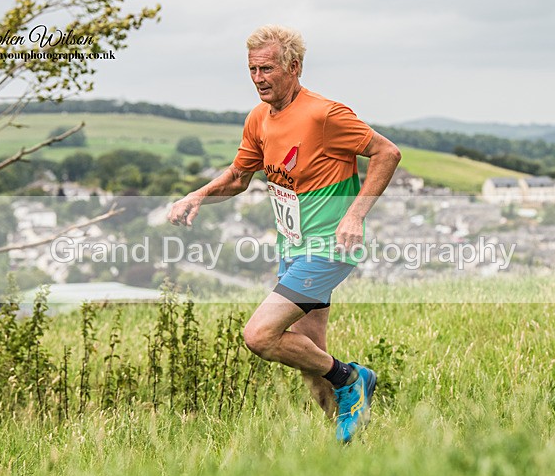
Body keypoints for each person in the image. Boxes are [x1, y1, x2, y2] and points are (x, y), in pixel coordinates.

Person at [168, 25, 401, 443]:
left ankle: (353, 378)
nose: (259, 78)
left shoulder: (324, 114)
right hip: (291, 247)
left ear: (294, 67)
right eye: (253, 69)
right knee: (312, 362)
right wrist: (198, 195)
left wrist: (355, 215)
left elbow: (387, 153)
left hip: (329, 247)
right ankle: (350, 444)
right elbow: (240, 177)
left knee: (259, 335)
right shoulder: (259, 118)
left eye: (268, 68)